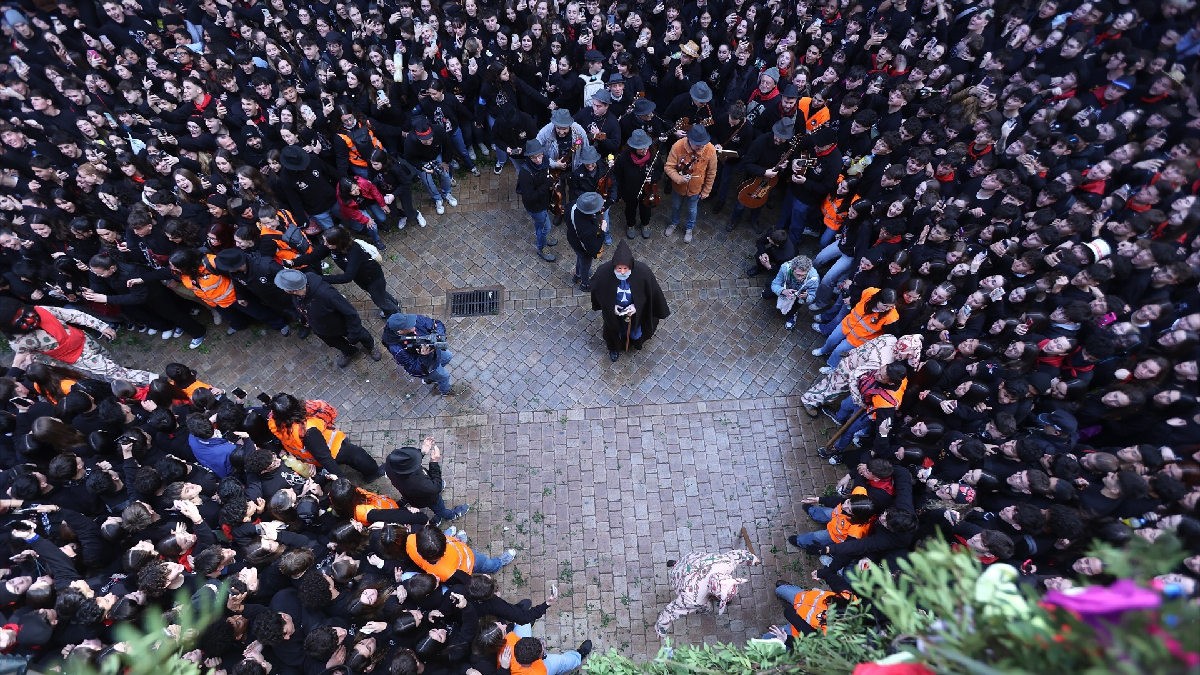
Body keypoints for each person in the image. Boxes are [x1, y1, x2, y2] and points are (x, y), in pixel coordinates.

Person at [0, 298, 157, 384]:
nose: (29, 320)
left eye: (26, 314)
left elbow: (73, 315)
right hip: (78, 357)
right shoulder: (18, 343)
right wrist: (46, 366)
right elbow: (30, 360)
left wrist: (100, 326)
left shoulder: (42, 310)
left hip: (85, 339)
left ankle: (115, 380)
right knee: (115, 371)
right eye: (21, 321)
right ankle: (155, 380)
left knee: (109, 360)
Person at [274, 269, 380, 368]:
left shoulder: (326, 293)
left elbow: (350, 313)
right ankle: (349, 352)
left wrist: (354, 333)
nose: (283, 289)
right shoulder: (296, 296)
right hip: (322, 329)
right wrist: (303, 318)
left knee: (362, 335)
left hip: (341, 324)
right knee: (337, 343)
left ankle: (371, 346)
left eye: (284, 287)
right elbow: (300, 306)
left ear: (292, 290)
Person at [588, 241, 671, 362]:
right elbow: (598, 291)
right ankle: (614, 348)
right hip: (615, 313)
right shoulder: (603, 273)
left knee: (635, 331)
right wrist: (611, 306)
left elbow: (650, 293)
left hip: (634, 313)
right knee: (614, 331)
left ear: (630, 267)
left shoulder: (643, 272)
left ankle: (635, 343)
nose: (622, 272)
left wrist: (636, 306)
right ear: (614, 266)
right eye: (619, 268)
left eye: (625, 268)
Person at [384, 437, 469, 522]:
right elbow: (436, 488)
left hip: (409, 494)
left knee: (426, 490)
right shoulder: (421, 485)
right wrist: (434, 463)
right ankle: (450, 516)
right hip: (427, 498)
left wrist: (422, 452)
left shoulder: (391, 462)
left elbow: (407, 463)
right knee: (439, 508)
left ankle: (405, 501)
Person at [381, 313, 460, 396]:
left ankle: (430, 378)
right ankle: (445, 391)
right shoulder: (397, 349)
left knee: (448, 356)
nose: (414, 325)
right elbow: (414, 368)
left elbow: (436, 323)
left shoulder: (412, 320)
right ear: (400, 331)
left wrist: (439, 335)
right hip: (425, 364)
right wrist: (424, 356)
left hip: (435, 352)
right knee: (444, 376)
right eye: (409, 326)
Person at [664, 125, 718, 243]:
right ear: (690, 140)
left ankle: (689, 229)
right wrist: (679, 178)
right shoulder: (677, 146)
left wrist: (706, 191)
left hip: (696, 187)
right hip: (678, 187)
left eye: (703, 144)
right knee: (676, 206)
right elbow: (669, 167)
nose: (701, 147)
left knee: (692, 209)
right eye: (698, 144)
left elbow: (712, 172)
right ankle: (674, 223)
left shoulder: (710, 149)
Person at [517, 139, 558, 262]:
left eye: (540, 155)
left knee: (541, 225)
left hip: (544, 201)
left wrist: (552, 184)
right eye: (534, 158)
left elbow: (546, 177)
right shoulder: (525, 173)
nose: (539, 160)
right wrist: (547, 185)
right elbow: (529, 197)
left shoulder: (544, 161)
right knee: (546, 227)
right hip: (536, 207)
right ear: (529, 157)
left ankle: (543, 237)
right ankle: (541, 247)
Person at [613, 129, 658, 239]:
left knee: (646, 208)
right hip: (629, 189)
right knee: (630, 208)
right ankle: (630, 225)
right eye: (641, 148)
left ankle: (645, 224)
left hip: (647, 190)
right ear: (633, 148)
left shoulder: (653, 155)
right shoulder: (623, 158)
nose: (645, 150)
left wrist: (653, 178)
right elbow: (618, 176)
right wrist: (618, 193)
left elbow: (659, 170)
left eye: (646, 147)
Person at [565, 192, 607, 292]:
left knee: (580, 258)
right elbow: (593, 250)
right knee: (585, 265)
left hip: (573, 239)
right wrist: (603, 231)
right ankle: (585, 284)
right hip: (582, 246)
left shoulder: (572, 206)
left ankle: (577, 275)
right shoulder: (589, 229)